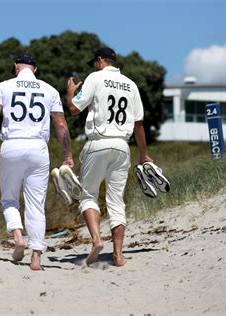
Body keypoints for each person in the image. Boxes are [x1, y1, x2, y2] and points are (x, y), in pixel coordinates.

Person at [0, 53, 74, 271]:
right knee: (36, 205)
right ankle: (36, 257)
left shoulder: (3, 87)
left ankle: (18, 236)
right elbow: (60, 125)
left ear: (15, 67)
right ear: (35, 69)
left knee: (9, 199)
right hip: (38, 148)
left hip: (11, 145)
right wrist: (67, 154)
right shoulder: (49, 90)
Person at [65, 47, 153, 267]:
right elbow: (138, 124)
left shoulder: (95, 78)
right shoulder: (131, 84)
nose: (93, 66)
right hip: (123, 146)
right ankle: (118, 255)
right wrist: (144, 153)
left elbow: (74, 109)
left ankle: (96, 240)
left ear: (100, 60)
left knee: (88, 196)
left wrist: (70, 93)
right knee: (116, 201)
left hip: (99, 142)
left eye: (94, 63)